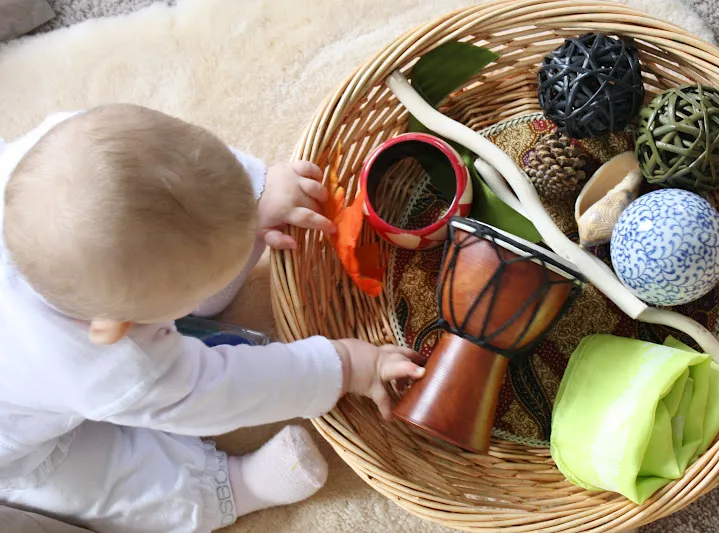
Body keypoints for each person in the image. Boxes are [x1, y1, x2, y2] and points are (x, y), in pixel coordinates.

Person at [0, 104, 423, 533]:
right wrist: (345, 365)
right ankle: (235, 488)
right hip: (19, 456)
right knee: (101, 488)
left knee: (170, 213)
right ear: (119, 326)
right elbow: (226, 390)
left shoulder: (61, 156)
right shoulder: (122, 366)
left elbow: (177, 165)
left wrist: (258, 191)